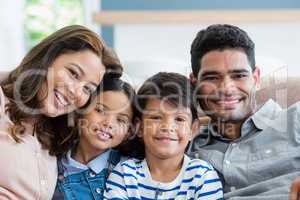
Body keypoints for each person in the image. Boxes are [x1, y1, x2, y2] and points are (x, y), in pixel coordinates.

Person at [0, 25, 122, 200]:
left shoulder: (54, 137)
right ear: (47, 58)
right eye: (73, 73)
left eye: (87, 89)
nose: (76, 92)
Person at [188, 24, 300, 199]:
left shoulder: (296, 119)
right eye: (212, 77)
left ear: (256, 79)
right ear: (194, 83)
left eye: (239, 76)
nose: (226, 88)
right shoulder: (184, 143)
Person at [104, 72, 223, 199]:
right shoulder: (124, 173)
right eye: (156, 117)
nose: (167, 126)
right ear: (139, 127)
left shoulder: (202, 175)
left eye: (179, 119)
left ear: (193, 130)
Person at [52, 75, 135, 200]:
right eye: (101, 111)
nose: (109, 123)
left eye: (121, 120)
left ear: (128, 133)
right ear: (81, 111)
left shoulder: (129, 172)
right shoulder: (50, 161)